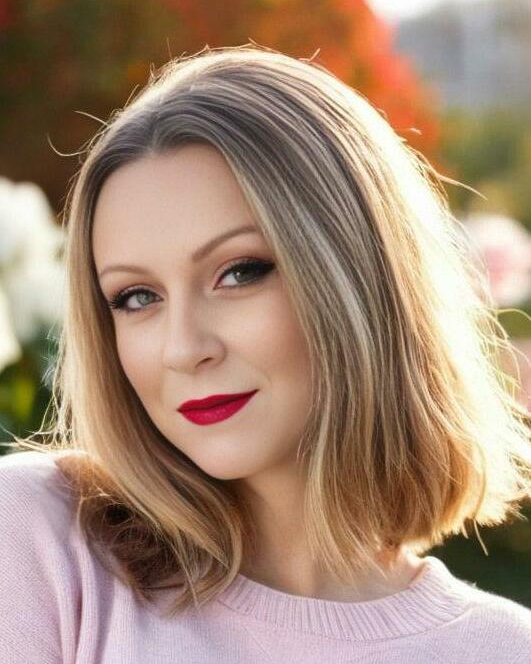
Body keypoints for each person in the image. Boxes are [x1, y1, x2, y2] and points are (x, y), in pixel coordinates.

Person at [1, 43, 531, 663]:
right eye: (137, 297)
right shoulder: (39, 542)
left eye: (239, 272)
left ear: (358, 276)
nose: (183, 349)